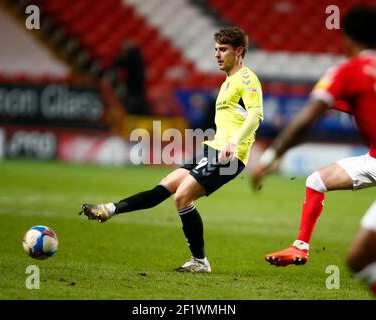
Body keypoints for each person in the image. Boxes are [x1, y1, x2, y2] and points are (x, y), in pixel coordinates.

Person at [79, 26, 264, 273]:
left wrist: (234, 143)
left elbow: (256, 116)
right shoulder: (228, 82)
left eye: (223, 50)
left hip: (229, 155)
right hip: (213, 149)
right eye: (215, 50)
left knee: (182, 197)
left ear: (239, 51)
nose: (217, 55)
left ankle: (200, 262)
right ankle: (110, 209)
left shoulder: (247, 79)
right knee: (165, 186)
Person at [250, 5, 376, 293]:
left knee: (360, 258)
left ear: (347, 38)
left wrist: (271, 155)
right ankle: (300, 247)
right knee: (317, 180)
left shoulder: (349, 70)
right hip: (374, 159)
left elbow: (308, 118)